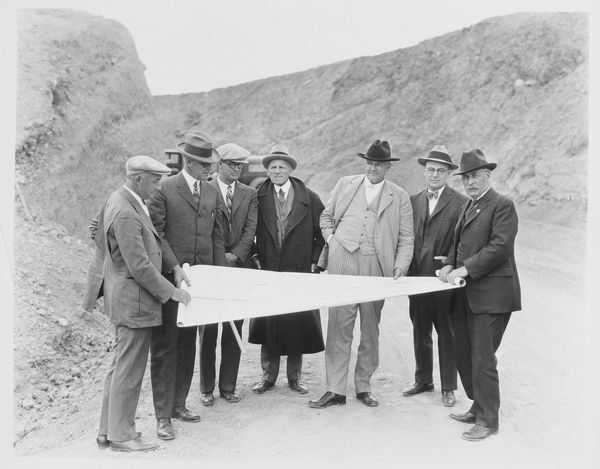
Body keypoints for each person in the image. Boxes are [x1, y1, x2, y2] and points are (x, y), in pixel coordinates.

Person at [309, 139, 414, 409]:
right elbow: (326, 216)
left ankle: (364, 386)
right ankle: (335, 389)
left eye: (378, 164)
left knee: (370, 329)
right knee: (338, 328)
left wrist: (400, 265)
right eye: (369, 162)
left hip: (375, 268)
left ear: (388, 167)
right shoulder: (346, 184)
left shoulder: (399, 196)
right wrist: (332, 239)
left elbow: (406, 238)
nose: (372, 168)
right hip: (342, 263)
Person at [97, 155, 191, 452]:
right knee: (128, 370)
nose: (158, 186)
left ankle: (106, 431)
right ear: (138, 179)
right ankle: (122, 435)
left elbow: (97, 234)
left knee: (118, 366)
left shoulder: (122, 199)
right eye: (154, 180)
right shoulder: (126, 210)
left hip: (124, 297)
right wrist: (172, 292)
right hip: (134, 303)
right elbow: (140, 266)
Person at [147, 131, 226, 440]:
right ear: (189, 162)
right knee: (166, 347)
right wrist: (175, 267)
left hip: (199, 285)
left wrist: (218, 275)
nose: (209, 169)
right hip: (170, 283)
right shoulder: (164, 189)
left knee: (188, 344)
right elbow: (157, 235)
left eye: (211, 163)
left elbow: (216, 236)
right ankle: (163, 416)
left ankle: (179, 404)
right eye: (204, 163)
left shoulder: (211, 192)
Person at [438, 149, 521, 441]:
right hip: (467, 294)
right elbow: (456, 242)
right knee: (465, 353)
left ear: (488, 175)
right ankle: (477, 406)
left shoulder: (502, 205)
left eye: (475, 175)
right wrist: (449, 263)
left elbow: (499, 248)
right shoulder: (468, 206)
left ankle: (488, 420)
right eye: (466, 177)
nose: (470, 182)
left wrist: (464, 270)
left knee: (483, 358)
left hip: (493, 295)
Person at [248, 144, 325, 395]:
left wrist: (315, 262)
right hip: (269, 270)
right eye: (272, 167)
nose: (277, 171)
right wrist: (255, 257)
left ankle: (295, 377)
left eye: (282, 167)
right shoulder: (256, 196)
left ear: (291, 169)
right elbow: (246, 232)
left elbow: (320, 234)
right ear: (267, 171)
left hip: (299, 272)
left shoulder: (309, 198)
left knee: (296, 325)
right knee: (269, 323)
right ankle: (268, 377)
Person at [404, 145, 467, 407]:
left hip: (443, 279)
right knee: (420, 329)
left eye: (441, 171)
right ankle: (423, 380)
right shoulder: (413, 200)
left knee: (447, 332)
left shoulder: (461, 203)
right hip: (416, 277)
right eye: (430, 170)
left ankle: (448, 388)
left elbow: (464, 240)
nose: (435, 175)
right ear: (424, 172)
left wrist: (451, 262)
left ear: (450, 174)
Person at [199, 143, 258, 406]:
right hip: (212, 268)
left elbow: (250, 228)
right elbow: (201, 228)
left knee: (234, 328)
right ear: (219, 164)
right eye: (231, 164)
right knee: (208, 329)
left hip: (238, 269)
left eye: (240, 165)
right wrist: (218, 257)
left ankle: (228, 386)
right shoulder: (205, 188)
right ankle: (206, 388)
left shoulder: (250, 194)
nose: (236, 169)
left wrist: (237, 255)